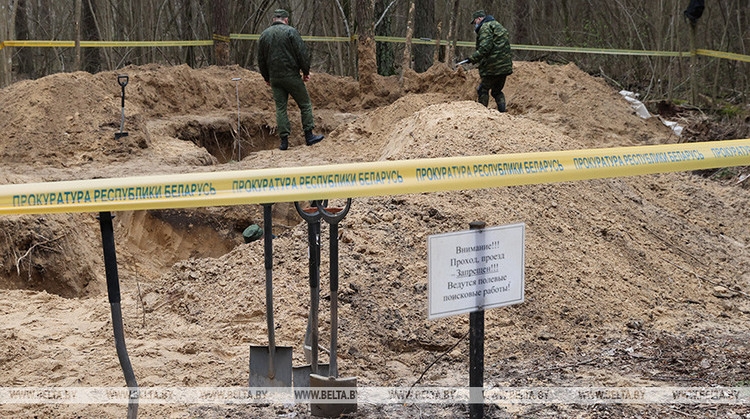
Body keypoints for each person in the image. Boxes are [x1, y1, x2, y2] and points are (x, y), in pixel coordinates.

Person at [257, 9, 324, 150]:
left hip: (275, 78)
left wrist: (266, 77)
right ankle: (309, 136)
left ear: (274, 19)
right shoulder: (291, 32)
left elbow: (261, 60)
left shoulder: (264, 35)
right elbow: (301, 53)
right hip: (291, 75)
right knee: (305, 104)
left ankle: (284, 142)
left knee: (281, 108)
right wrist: (305, 71)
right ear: (286, 19)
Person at [467, 10, 513, 112]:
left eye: (475, 22)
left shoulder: (485, 28)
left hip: (492, 66)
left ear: (479, 19)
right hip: (505, 65)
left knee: (483, 89)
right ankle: (503, 113)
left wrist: (472, 58)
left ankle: (482, 113)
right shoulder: (498, 26)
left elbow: (485, 48)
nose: (475, 25)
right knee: (497, 91)